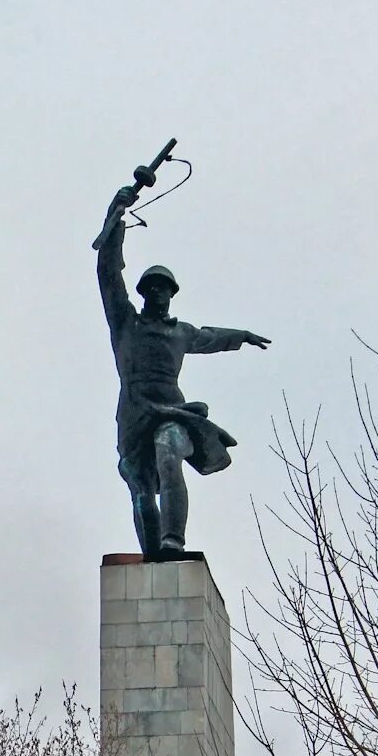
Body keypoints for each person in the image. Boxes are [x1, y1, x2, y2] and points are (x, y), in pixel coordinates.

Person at [98, 184, 269, 558]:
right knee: (141, 488)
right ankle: (155, 557)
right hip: (133, 414)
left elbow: (209, 336)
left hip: (172, 412)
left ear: (172, 293)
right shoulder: (126, 324)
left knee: (169, 449)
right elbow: (108, 274)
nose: (158, 293)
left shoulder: (180, 332)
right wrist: (117, 212)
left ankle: (173, 539)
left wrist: (240, 336)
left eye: (165, 288)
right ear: (143, 292)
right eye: (152, 288)